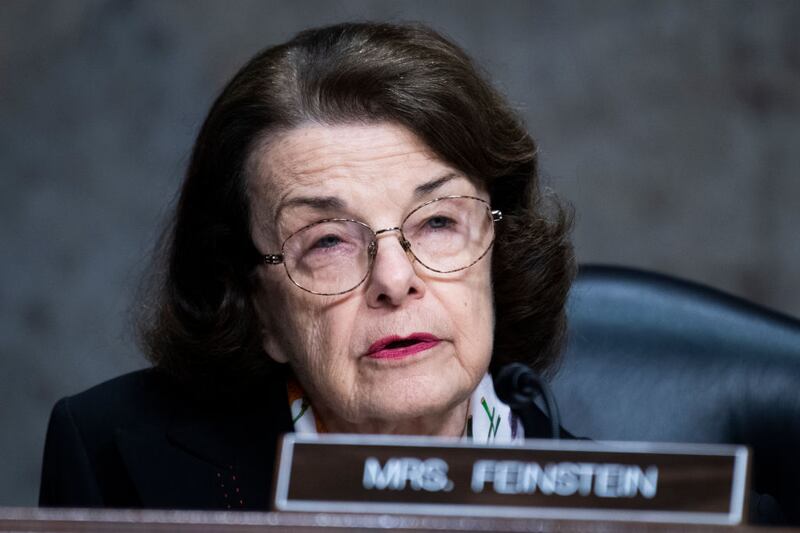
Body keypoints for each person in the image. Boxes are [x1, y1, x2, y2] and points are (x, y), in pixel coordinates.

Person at [39, 21, 574, 510]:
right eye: (327, 243)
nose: (394, 280)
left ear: (498, 249)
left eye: (437, 222)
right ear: (257, 304)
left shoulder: (633, 507)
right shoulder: (114, 456)